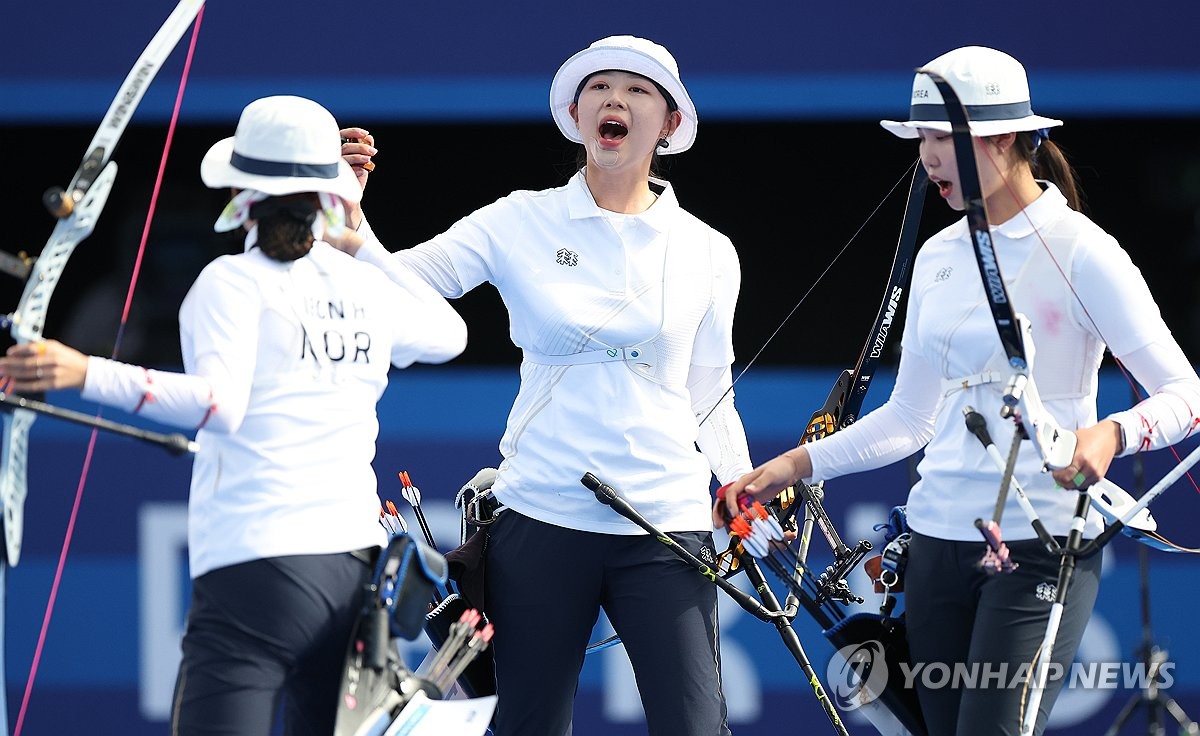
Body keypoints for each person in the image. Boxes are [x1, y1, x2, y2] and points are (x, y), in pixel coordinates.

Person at [715, 46, 1200, 736]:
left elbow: (1186, 392)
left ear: (1004, 138)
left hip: (1041, 543)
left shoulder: (1083, 250)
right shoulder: (938, 255)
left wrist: (1111, 434)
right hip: (938, 544)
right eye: (922, 140)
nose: (927, 158)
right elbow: (911, 418)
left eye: (943, 138)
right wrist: (789, 468)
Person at [0, 95, 468, 735]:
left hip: (257, 569)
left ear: (240, 191)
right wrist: (358, 237)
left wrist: (83, 371)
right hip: (353, 573)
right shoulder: (358, 282)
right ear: (328, 195)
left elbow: (219, 405)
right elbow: (450, 333)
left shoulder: (230, 281)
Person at [336, 35, 752, 736]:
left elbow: (709, 392)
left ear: (670, 123)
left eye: (637, 90)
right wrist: (351, 219)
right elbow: (400, 285)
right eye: (599, 88)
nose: (614, 101)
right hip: (541, 518)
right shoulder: (519, 219)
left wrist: (745, 488)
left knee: (697, 728)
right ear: (578, 111)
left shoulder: (709, 249)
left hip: (666, 525)